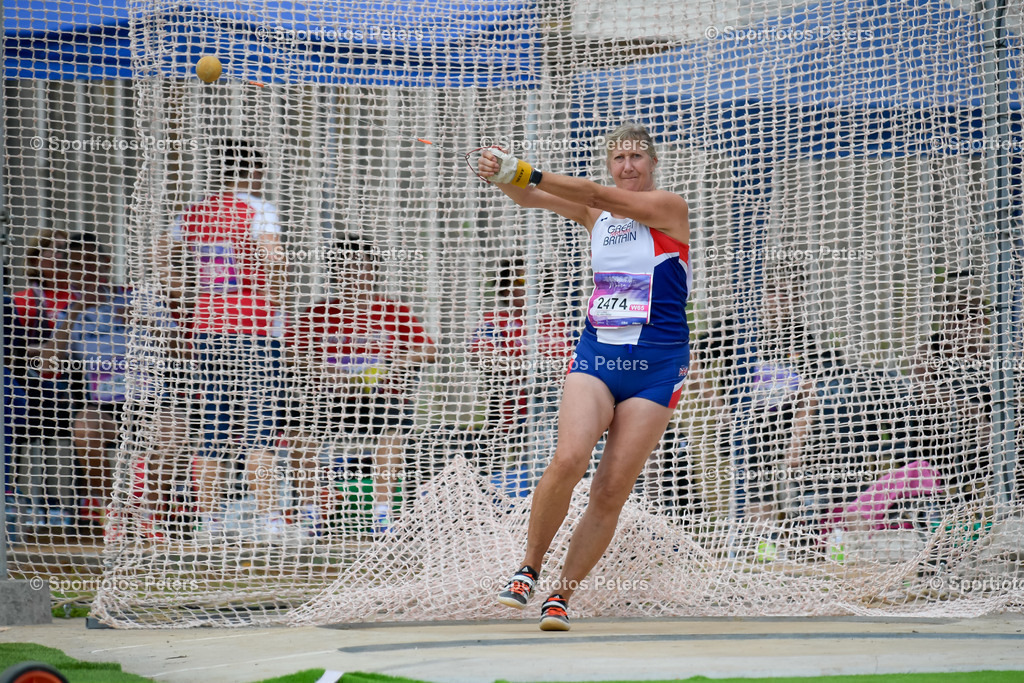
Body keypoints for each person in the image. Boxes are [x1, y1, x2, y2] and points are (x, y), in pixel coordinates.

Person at [479, 123, 691, 631]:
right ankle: (528, 569)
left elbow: (592, 193)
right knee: (569, 458)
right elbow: (529, 197)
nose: (628, 166)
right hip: (599, 357)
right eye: (619, 158)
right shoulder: (597, 216)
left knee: (611, 490)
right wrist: (500, 172)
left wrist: (524, 170)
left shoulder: (668, 207)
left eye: (637, 157)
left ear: (653, 163)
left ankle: (561, 596)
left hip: (657, 368)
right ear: (609, 164)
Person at [157, 139, 292, 543]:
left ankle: (209, 523)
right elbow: (274, 257)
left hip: (208, 328)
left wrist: (181, 297)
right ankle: (271, 522)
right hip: (253, 329)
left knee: (213, 428)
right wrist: (275, 298)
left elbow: (160, 253)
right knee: (259, 429)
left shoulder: (195, 211)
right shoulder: (258, 209)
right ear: (255, 171)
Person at [37, 234, 185, 539]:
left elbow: (182, 351)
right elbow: (47, 366)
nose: (85, 270)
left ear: (106, 263)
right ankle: (113, 510)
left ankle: (146, 513)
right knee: (85, 429)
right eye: (75, 265)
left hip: (150, 399)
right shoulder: (67, 312)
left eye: (91, 262)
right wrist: (73, 315)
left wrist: (144, 322)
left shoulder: (140, 298)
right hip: (102, 405)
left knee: (174, 432)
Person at [286, 239, 436, 535]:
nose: (353, 275)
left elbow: (429, 351)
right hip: (330, 396)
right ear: (334, 274)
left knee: (391, 431)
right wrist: (320, 368)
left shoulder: (393, 310)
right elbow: (291, 353)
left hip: (382, 396)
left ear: (372, 271)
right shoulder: (319, 312)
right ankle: (310, 510)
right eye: (345, 268)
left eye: (360, 267)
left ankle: (382, 513)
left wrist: (396, 360)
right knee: (299, 431)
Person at [467, 257, 572, 473]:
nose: (529, 286)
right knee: (510, 470)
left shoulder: (556, 324)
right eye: (521, 281)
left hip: (552, 412)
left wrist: (526, 364)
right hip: (508, 411)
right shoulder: (494, 320)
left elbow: (566, 365)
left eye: (535, 280)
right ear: (506, 288)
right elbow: (479, 357)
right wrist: (528, 365)